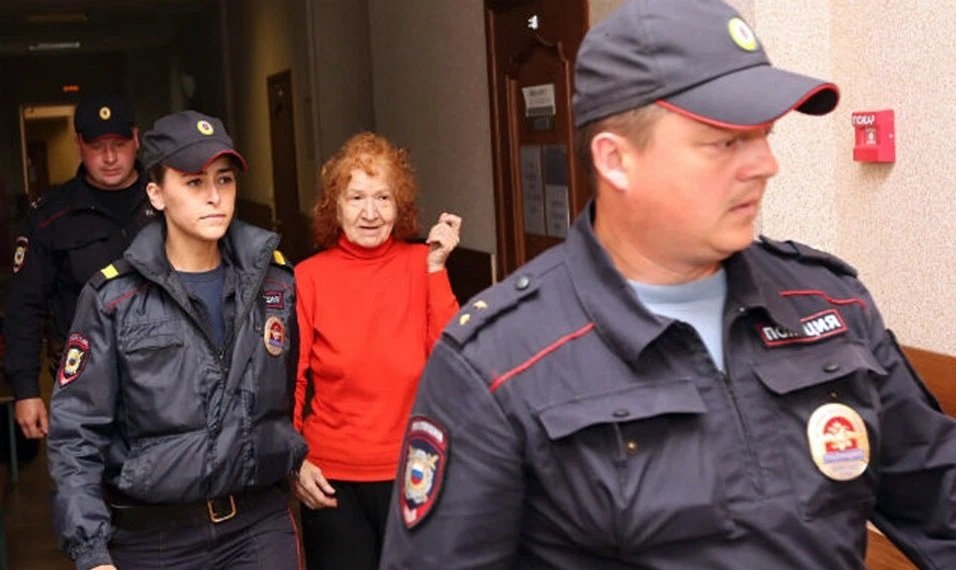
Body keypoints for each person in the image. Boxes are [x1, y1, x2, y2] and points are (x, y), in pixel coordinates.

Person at [379, 1, 956, 568]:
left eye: (765, 135)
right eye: (727, 142)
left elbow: (940, 504)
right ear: (616, 160)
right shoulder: (497, 363)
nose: (766, 165)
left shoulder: (831, 306)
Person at [47, 110, 308, 570]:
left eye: (224, 180)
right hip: (157, 538)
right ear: (156, 193)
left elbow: (285, 397)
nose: (214, 197)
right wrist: (90, 550)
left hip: (258, 524)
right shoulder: (115, 298)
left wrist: (296, 457)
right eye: (194, 182)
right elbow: (76, 433)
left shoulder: (275, 284)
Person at [292, 132, 461, 570]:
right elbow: (291, 378)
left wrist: (437, 270)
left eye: (383, 197)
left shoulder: (421, 264)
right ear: (335, 207)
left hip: (414, 472)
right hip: (331, 482)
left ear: (399, 205)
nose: (370, 213)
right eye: (356, 198)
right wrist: (296, 458)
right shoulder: (308, 278)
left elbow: (453, 363)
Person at [3, 94, 154, 440]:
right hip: (84, 384)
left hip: (167, 378)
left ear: (135, 138)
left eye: (119, 144)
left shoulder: (167, 200)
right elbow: (24, 307)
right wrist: (26, 389)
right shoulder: (51, 217)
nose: (111, 157)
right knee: (83, 484)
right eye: (98, 146)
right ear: (79, 145)